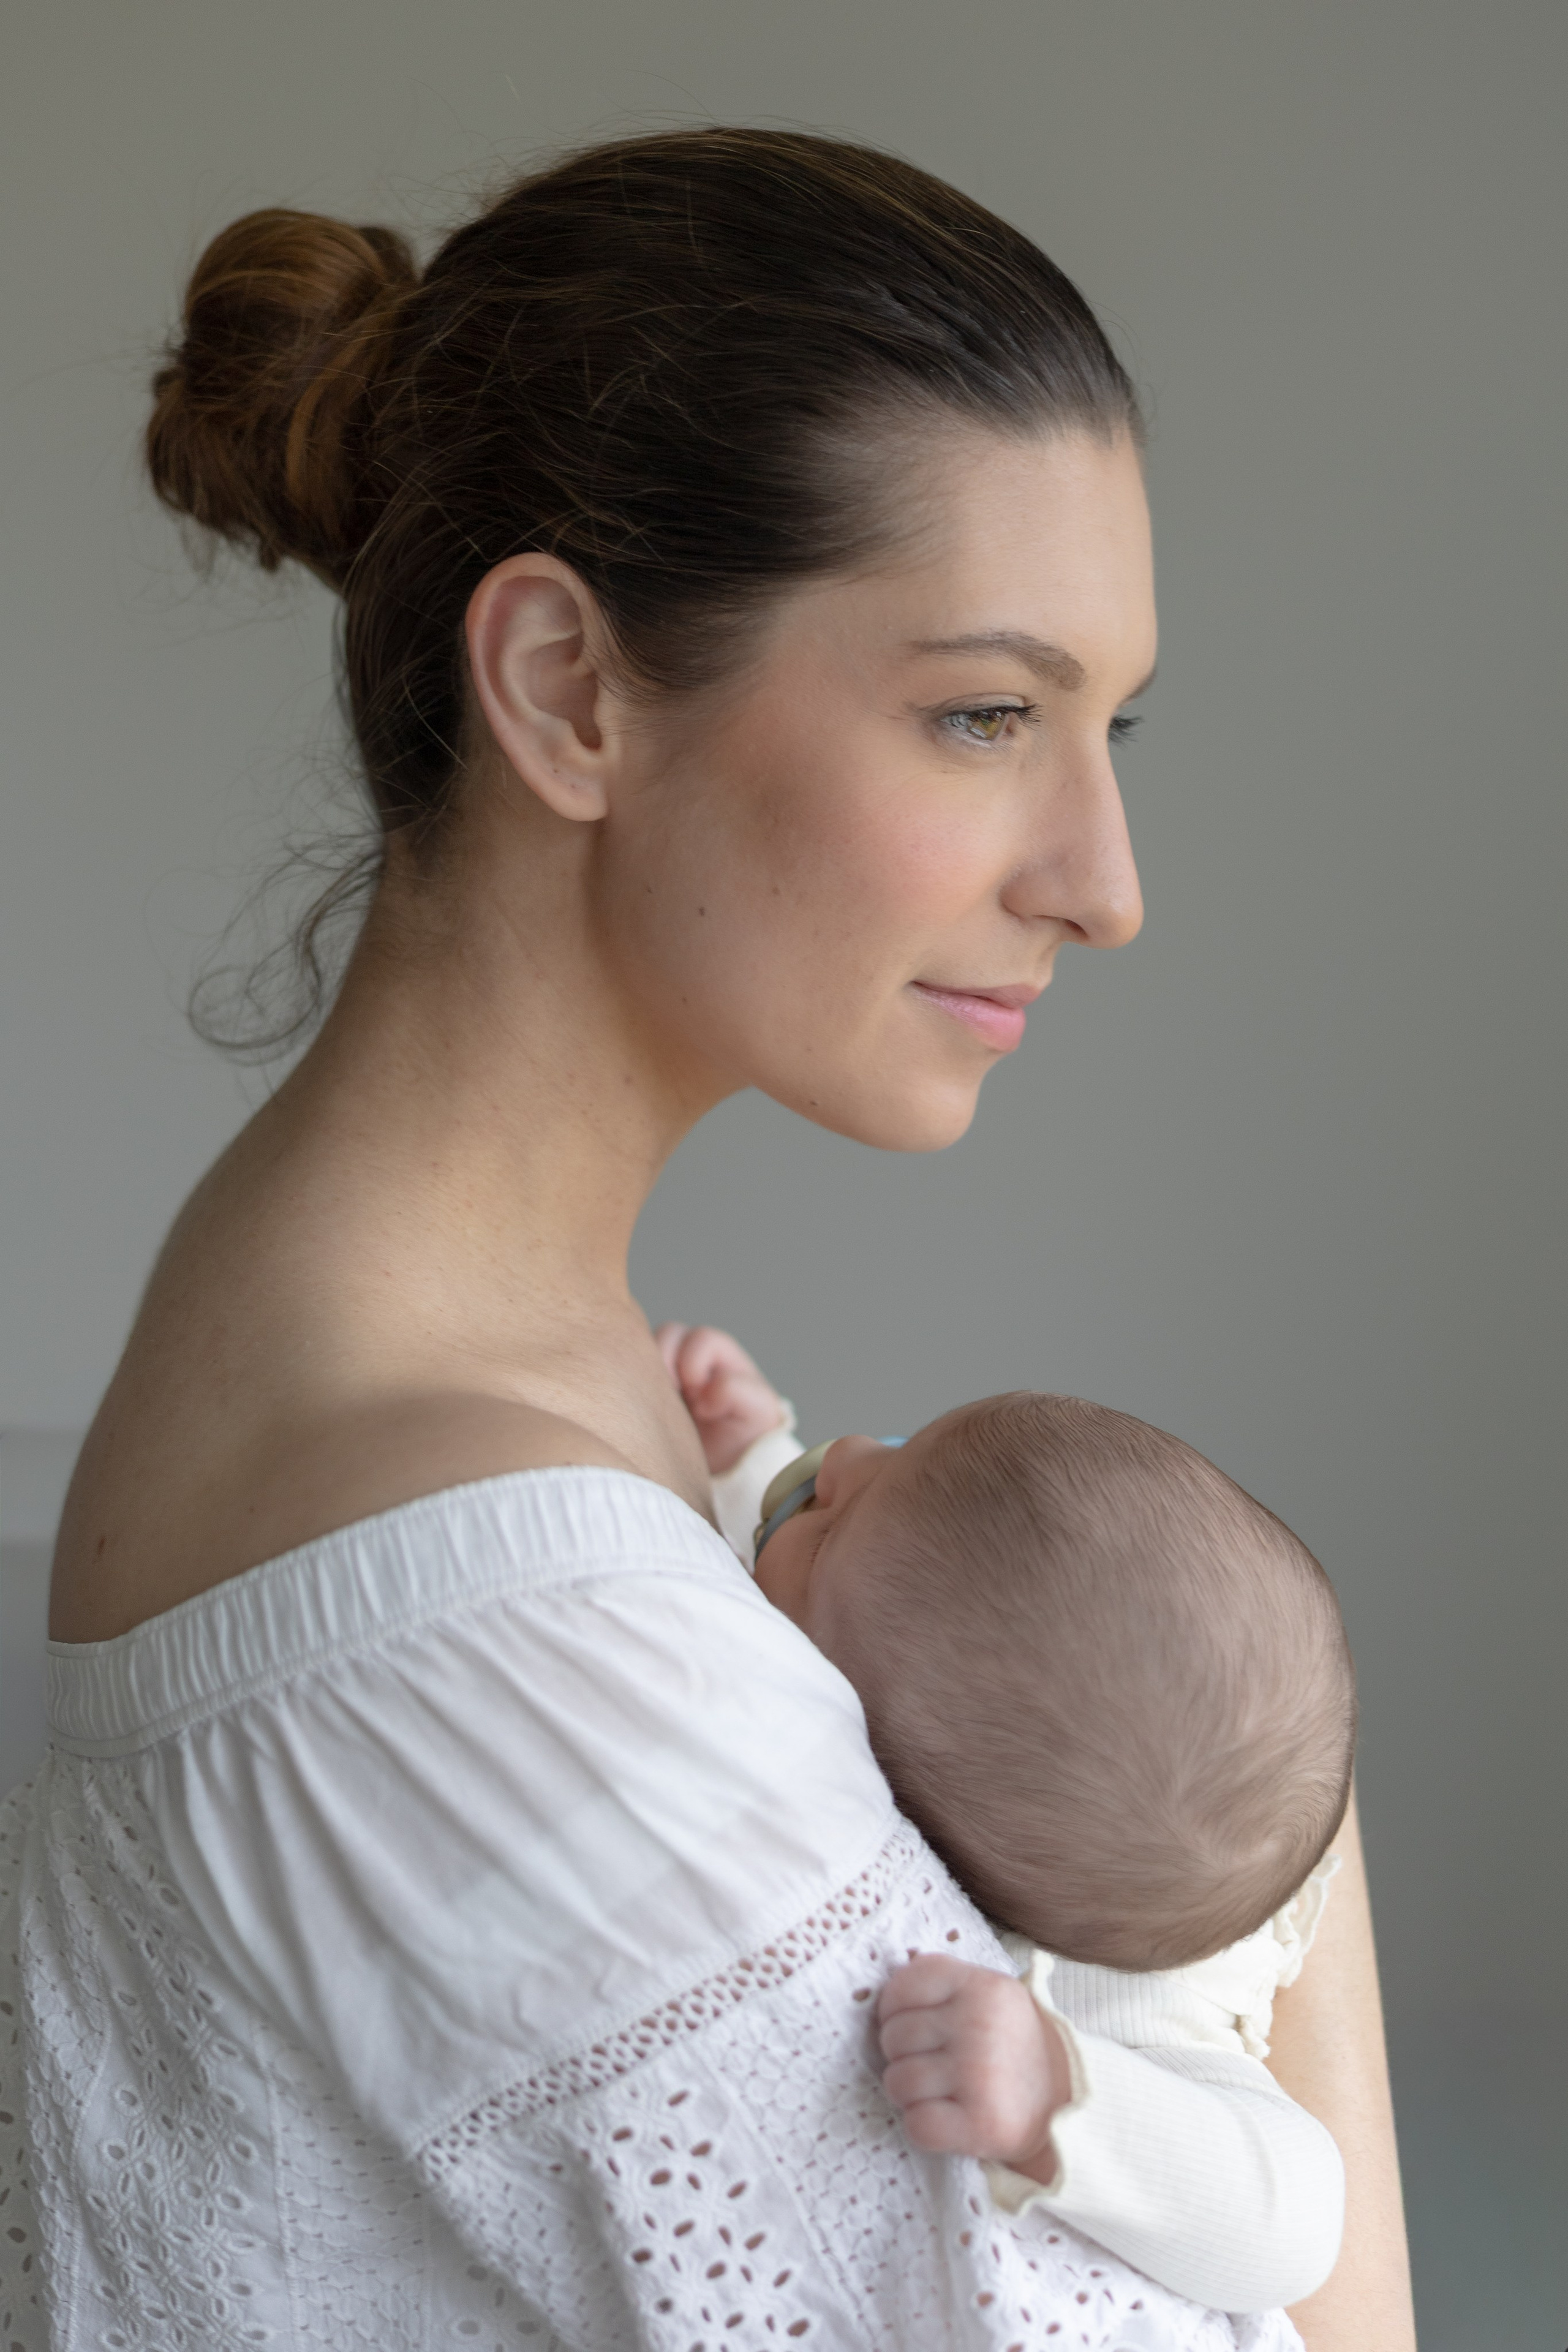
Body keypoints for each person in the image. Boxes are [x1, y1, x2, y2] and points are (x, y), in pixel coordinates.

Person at [0, 128, 1414, 2348]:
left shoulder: (465, 1381)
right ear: (568, 685)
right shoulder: (481, 1623)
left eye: (1102, 729)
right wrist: (1285, 1857)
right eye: (983, 714)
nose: (1106, 876)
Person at [664, 1331, 1357, 2314]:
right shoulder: (991, 1770)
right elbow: (856, 1611)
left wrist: (1059, 2098)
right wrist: (753, 1460)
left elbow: (1296, 2226)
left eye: (821, 1521)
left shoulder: (1141, 2005)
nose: (851, 1449)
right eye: (903, 1453)